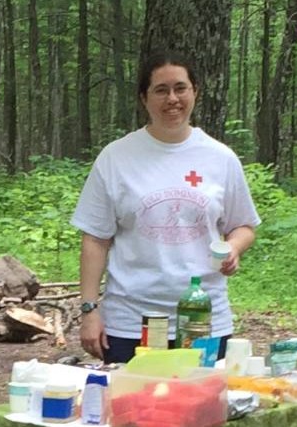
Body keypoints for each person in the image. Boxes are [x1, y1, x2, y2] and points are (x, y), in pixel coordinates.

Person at [71, 51, 261, 364]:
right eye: (161, 90)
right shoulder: (116, 157)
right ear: (144, 98)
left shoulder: (220, 158)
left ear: (195, 92)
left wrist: (234, 247)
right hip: (131, 321)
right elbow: (95, 238)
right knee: (133, 410)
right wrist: (89, 311)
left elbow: (243, 226)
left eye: (180, 88)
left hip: (203, 319)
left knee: (201, 410)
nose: (172, 98)